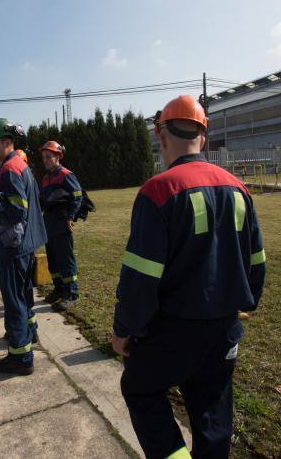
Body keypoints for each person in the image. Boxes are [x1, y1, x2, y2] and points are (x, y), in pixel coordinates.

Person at [112, 95, 266, 458]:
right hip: (225, 327)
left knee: (140, 389)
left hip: (175, 331)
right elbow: (256, 262)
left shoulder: (158, 190)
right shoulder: (238, 188)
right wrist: (247, 303)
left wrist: (124, 330)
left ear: (161, 135)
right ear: (204, 137)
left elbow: (140, 278)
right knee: (212, 415)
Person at [0, 118, 47, 375]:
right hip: (26, 245)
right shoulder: (20, 165)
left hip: (12, 249)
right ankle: (30, 332)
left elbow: (17, 210)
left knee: (14, 300)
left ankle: (21, 357)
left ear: (7, 142)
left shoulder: (9, 169)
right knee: (24, 295)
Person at [38, 140, 83, 311]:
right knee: (53, 260)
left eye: (49, 157)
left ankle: (72, 293)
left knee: (65, 260)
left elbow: (77, 196)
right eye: (44, 157)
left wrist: (70, 216)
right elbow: (42, 201)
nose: (46, 160)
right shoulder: (45, 178)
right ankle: (59, 289)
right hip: (48, 223)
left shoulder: (65, 174)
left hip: (62, 223)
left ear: (58, 156)